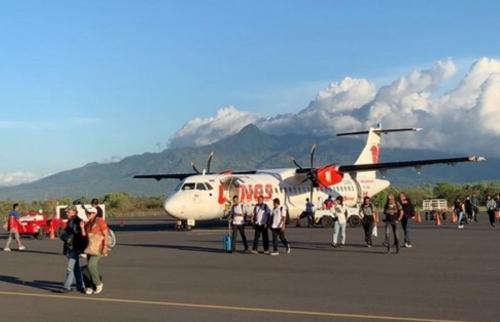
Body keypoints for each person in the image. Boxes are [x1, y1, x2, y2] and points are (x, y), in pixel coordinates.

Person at [59, 205, 88, 293]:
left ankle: (67, 286)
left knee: (70, 267)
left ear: (74, 212)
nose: (67, 213)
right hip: (71, 247)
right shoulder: (70, 222)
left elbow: (79, 237)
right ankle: (80, 285)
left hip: (75, 248)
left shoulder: (78, 222)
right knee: (76, 267)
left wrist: (80, 249)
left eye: (68, 211)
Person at [82, 206, 109, 295]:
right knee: (91, 268)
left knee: (91, 265)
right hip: (90, 247)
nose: (87, 215)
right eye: (87, 213)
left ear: (94, 213)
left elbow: (106, 233)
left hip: (99, 247)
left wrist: (105, 246)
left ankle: (98, 283)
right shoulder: (88, 223)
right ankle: (90, 285)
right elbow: (84, 235)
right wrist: (82, 227)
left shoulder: (100, 221)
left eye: (89, 213)